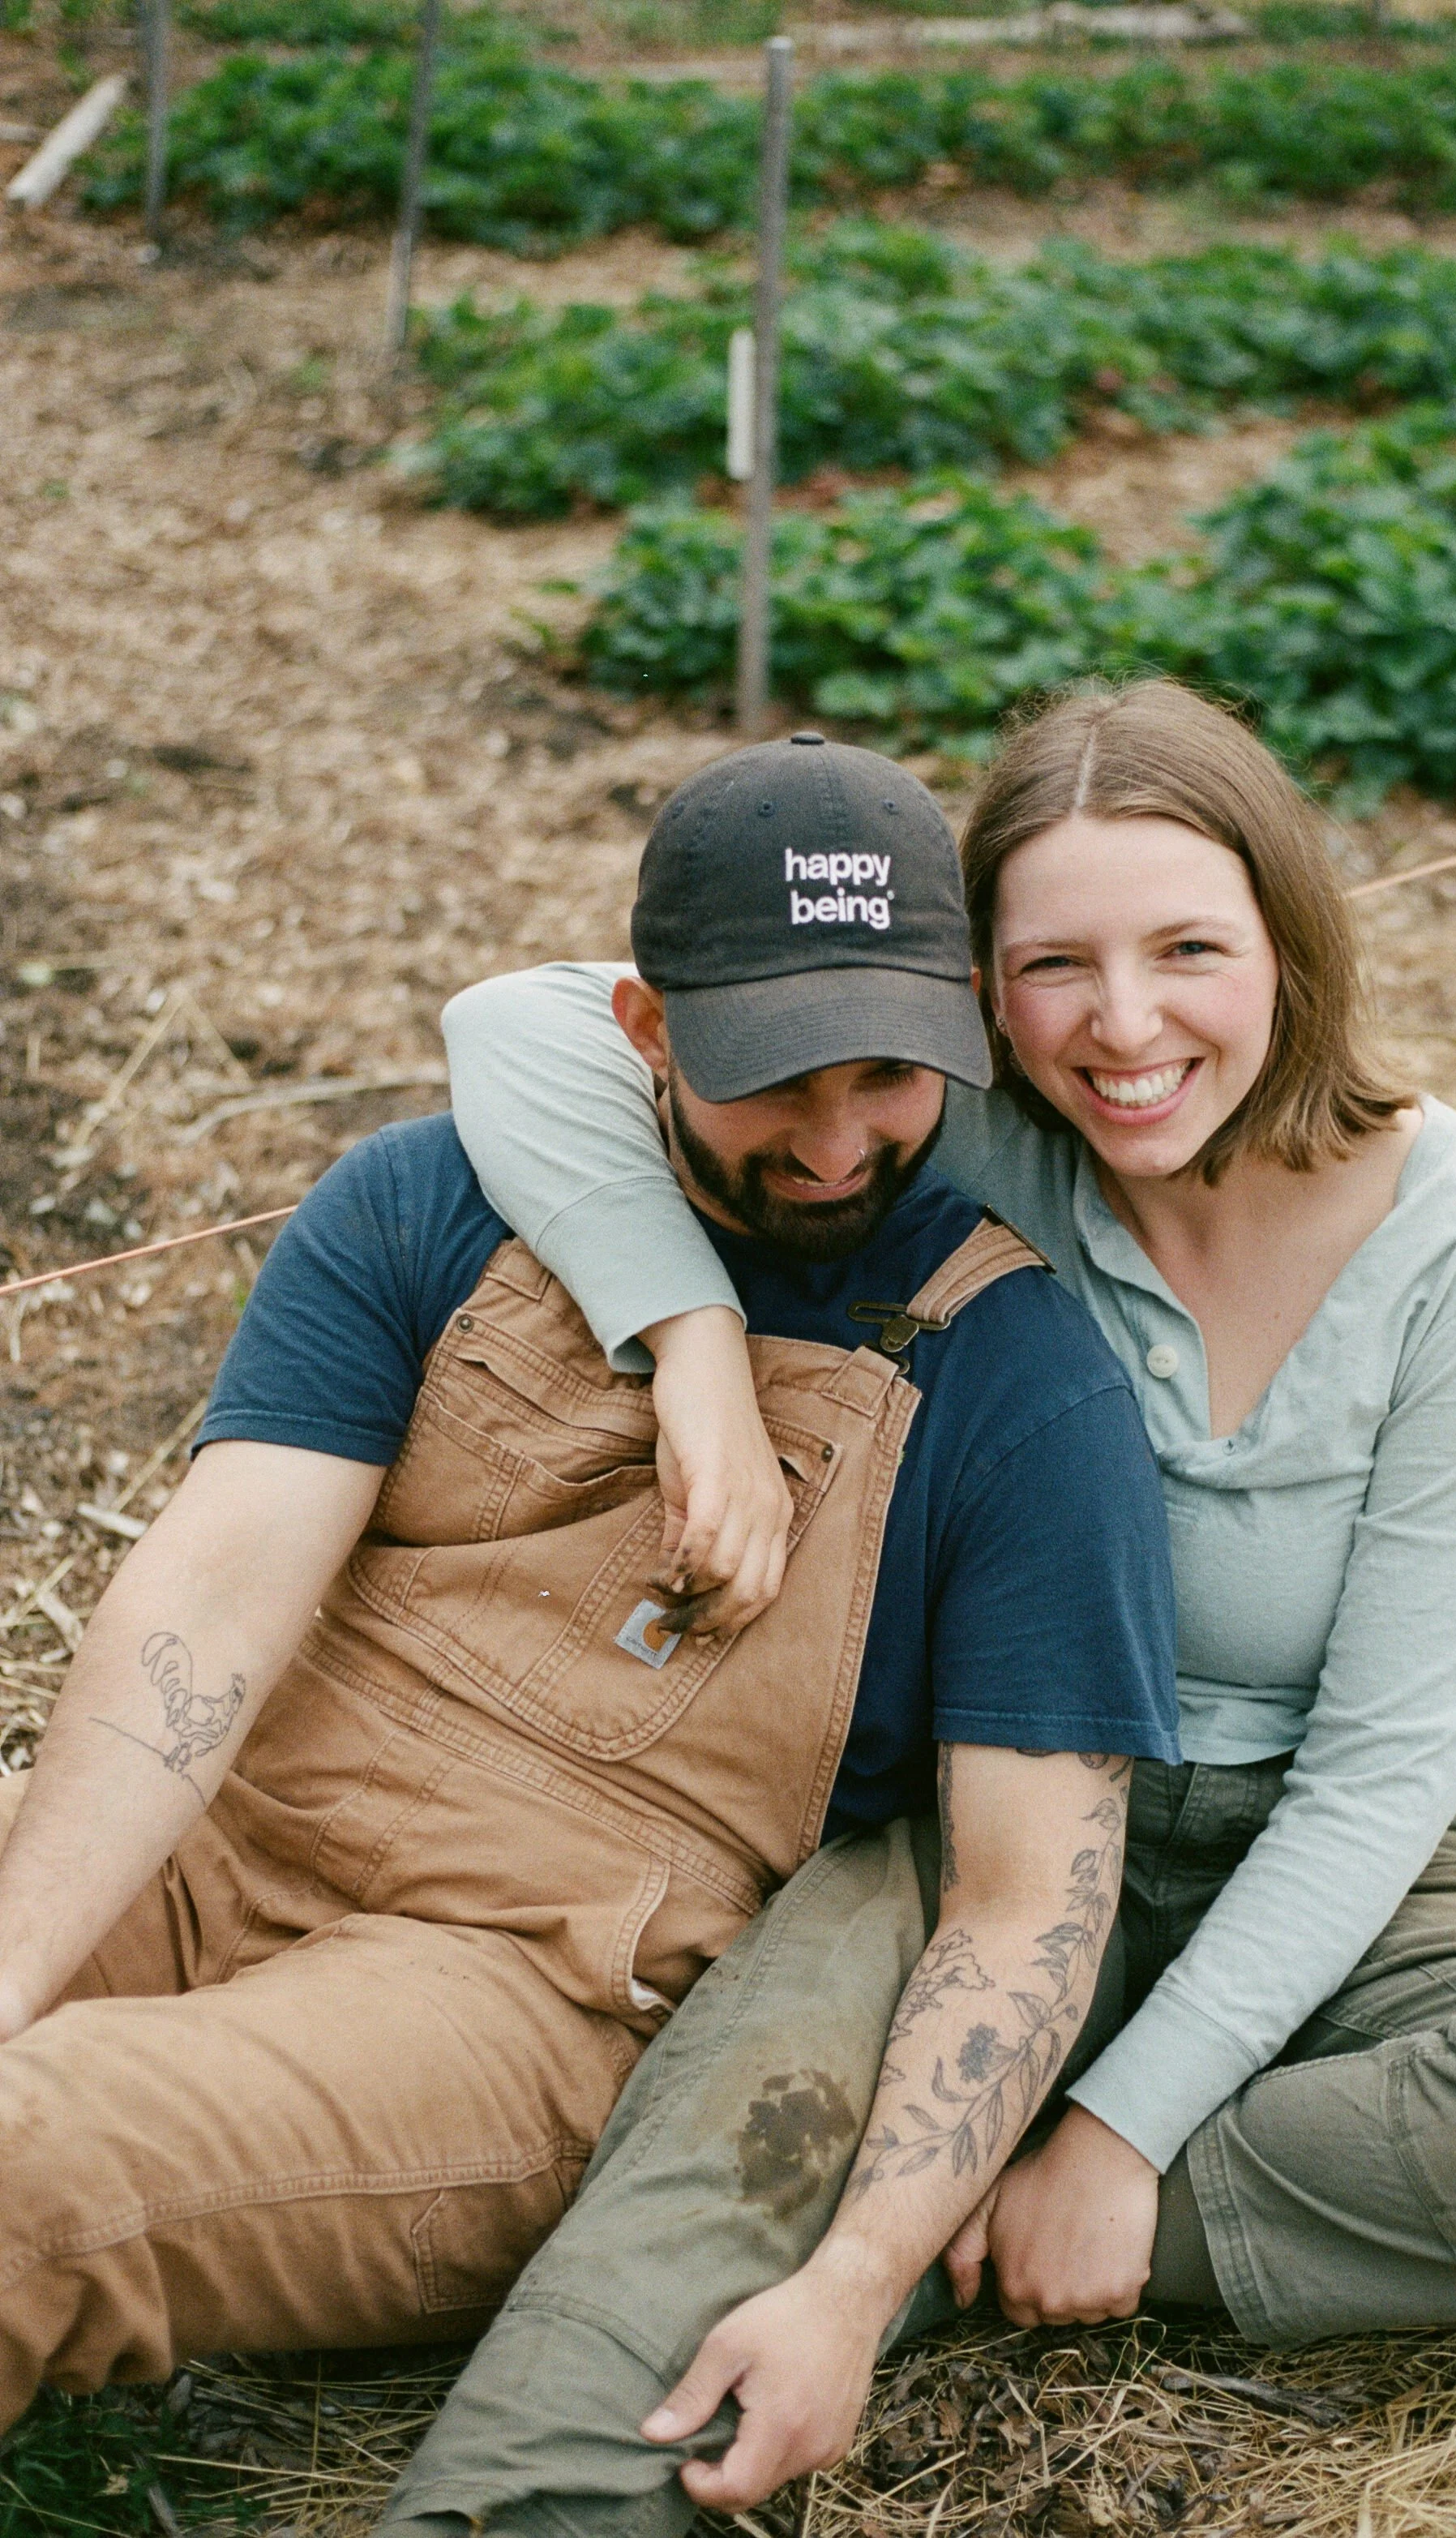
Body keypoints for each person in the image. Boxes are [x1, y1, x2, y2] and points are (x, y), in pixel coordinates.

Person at [407, 675, 1456, 2534]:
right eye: (1050, 965)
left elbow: (1380, 1775)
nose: (1125, 1022)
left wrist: (1117, 2140)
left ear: (1287, 942)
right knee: (709, 2162)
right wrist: (688, 1342)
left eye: (1186, 946)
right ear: (973, 994)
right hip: (986, 1812)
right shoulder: (974, 1130)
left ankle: (992, 2230)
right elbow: (508, 1023)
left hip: (1348, 1862)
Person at [0, 735, 1182, 2464]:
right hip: (228, 1839)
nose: (840, 1138)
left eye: (890, 1071)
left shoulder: (1020, 1390)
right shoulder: (424, 1199)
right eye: (773, 1077)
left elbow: (1026, 1905)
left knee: (25, 2159)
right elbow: (207, 1616)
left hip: (516, 1991)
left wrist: (855, 2276)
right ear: (643, 1028)